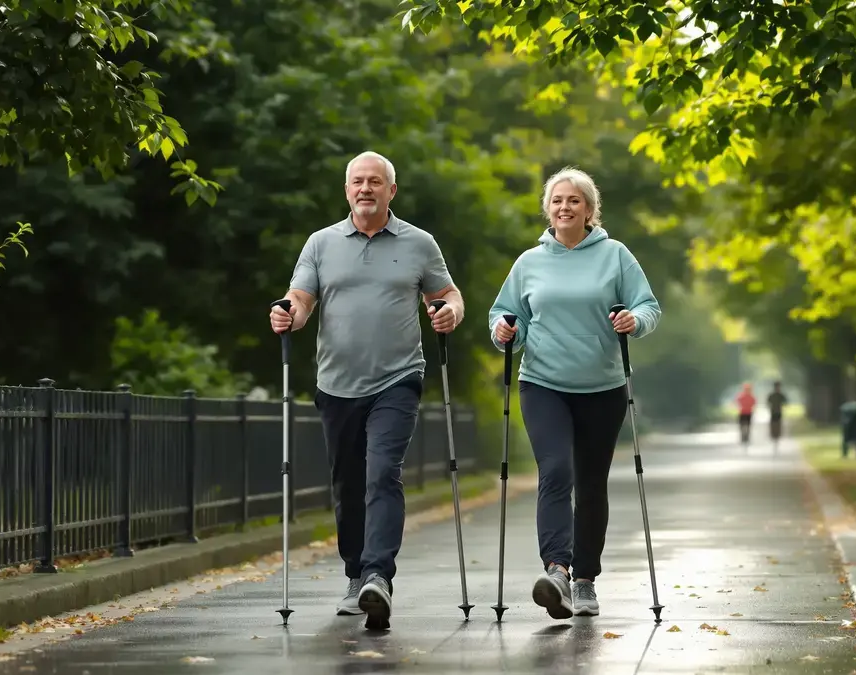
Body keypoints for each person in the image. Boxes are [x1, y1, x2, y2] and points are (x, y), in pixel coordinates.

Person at [269, 150, 465, 631]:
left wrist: (448, 314)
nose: (366, 188)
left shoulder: (419, 243)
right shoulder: (321, 243)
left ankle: (378, 575)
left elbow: (449, 295)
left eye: (375, 181)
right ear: (347, 190)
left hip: (398, 378)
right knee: (348, 484)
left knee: (382, 473)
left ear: (390, 191)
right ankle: (356, 575)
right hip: (336, 383)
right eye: (358, 181)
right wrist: (287, 314)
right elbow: (301, 297)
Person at [487, 166, 661, 620]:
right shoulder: (529, 262)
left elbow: (648, 306)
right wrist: (505, 330)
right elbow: (506, 314)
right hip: (542, 383)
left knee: (590, 482)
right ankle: (557, 570)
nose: (565, 207)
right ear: (548, 209)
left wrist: (634, 321)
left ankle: (585, 580)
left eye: (574, 201)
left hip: (602, 387)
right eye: (557, 200)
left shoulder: (615, 255)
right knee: (556, 470)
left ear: (589, 210)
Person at [766, 381, 787, 451]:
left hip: (779, 412)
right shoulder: (772, 395)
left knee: (778, 424)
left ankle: (777, 435)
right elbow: (768, 402)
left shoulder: (780, 395)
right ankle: (773, 435)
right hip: (773, 412)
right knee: (773, 424)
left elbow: (785, 402)